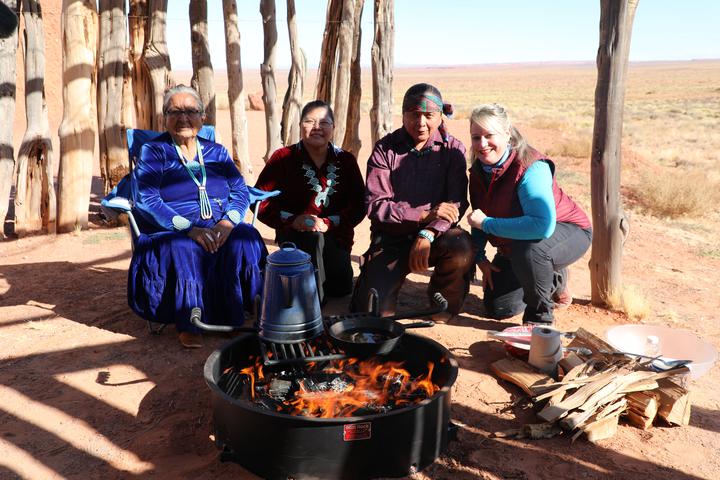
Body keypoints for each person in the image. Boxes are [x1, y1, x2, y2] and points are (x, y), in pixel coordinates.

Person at [128, 85, 267, 348]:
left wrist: (228, 222)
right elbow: (147, 198)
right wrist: (188, 229)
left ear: (203, 117)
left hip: (218, 224)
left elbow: (239, 190)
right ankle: (189, 322)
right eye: (175, 111)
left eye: (191, 111)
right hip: (171, 229)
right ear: (164, 117)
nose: (183, 118)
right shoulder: (154, 152)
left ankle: (235, 313)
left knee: (246, 237)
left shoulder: (217, 152)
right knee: (183, 247)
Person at [350, 83, 474, 320]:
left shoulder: (453, 149)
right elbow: (376, 206)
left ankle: (442, 301)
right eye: (414, 115)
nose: (421, 123)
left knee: (461, 246)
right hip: (390, 240)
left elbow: (456, 203)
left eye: (429, 115)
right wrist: (423, 215)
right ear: (404, 114)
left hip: (437, 238)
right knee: (372, 317)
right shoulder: (385, 150)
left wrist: (428, 232)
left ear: (440, 116)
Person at [466, 103, 592, 325]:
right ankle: (547, 275)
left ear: (507, 133)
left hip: (568, 232)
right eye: (476, 137)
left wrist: (487, 224)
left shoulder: (531, 166)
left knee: (532, 251)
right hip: (516, 244)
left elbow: (542, 226)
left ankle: (540, 319)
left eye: (489, 135)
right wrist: (481, 259)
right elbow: (478, 216)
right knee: (499, 307)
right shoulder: (479, 170)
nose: (482, 144)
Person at [255, 100, 365, 303]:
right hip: (296, 237)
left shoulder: (346, 160)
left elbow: (359, 205)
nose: (317, 128)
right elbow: (259, 202)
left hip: (336, 236)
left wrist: (329, 222)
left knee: (340, 288)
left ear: (333, 127)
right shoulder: (282, 158)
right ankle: (311, 305)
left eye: (324, 122)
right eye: (309, 121)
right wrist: (293, 220)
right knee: (312, 243)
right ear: (300, 126)